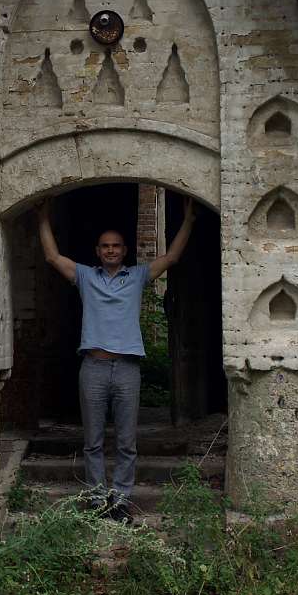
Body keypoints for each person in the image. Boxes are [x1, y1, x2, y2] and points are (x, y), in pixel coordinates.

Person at [37, 195, 196, 523]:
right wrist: (42, 216)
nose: (110, 250)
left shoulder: (137, 277)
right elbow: (52, 256)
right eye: (105, 246)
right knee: (92, 441)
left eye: (116, 246)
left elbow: (173, 256)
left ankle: (120, 501)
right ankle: (98, 500)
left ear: (125, 250)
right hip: (93, 368)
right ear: (98, 251)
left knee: (127, 442)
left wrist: (190, 221)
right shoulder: (85, 276)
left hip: (127, 369)